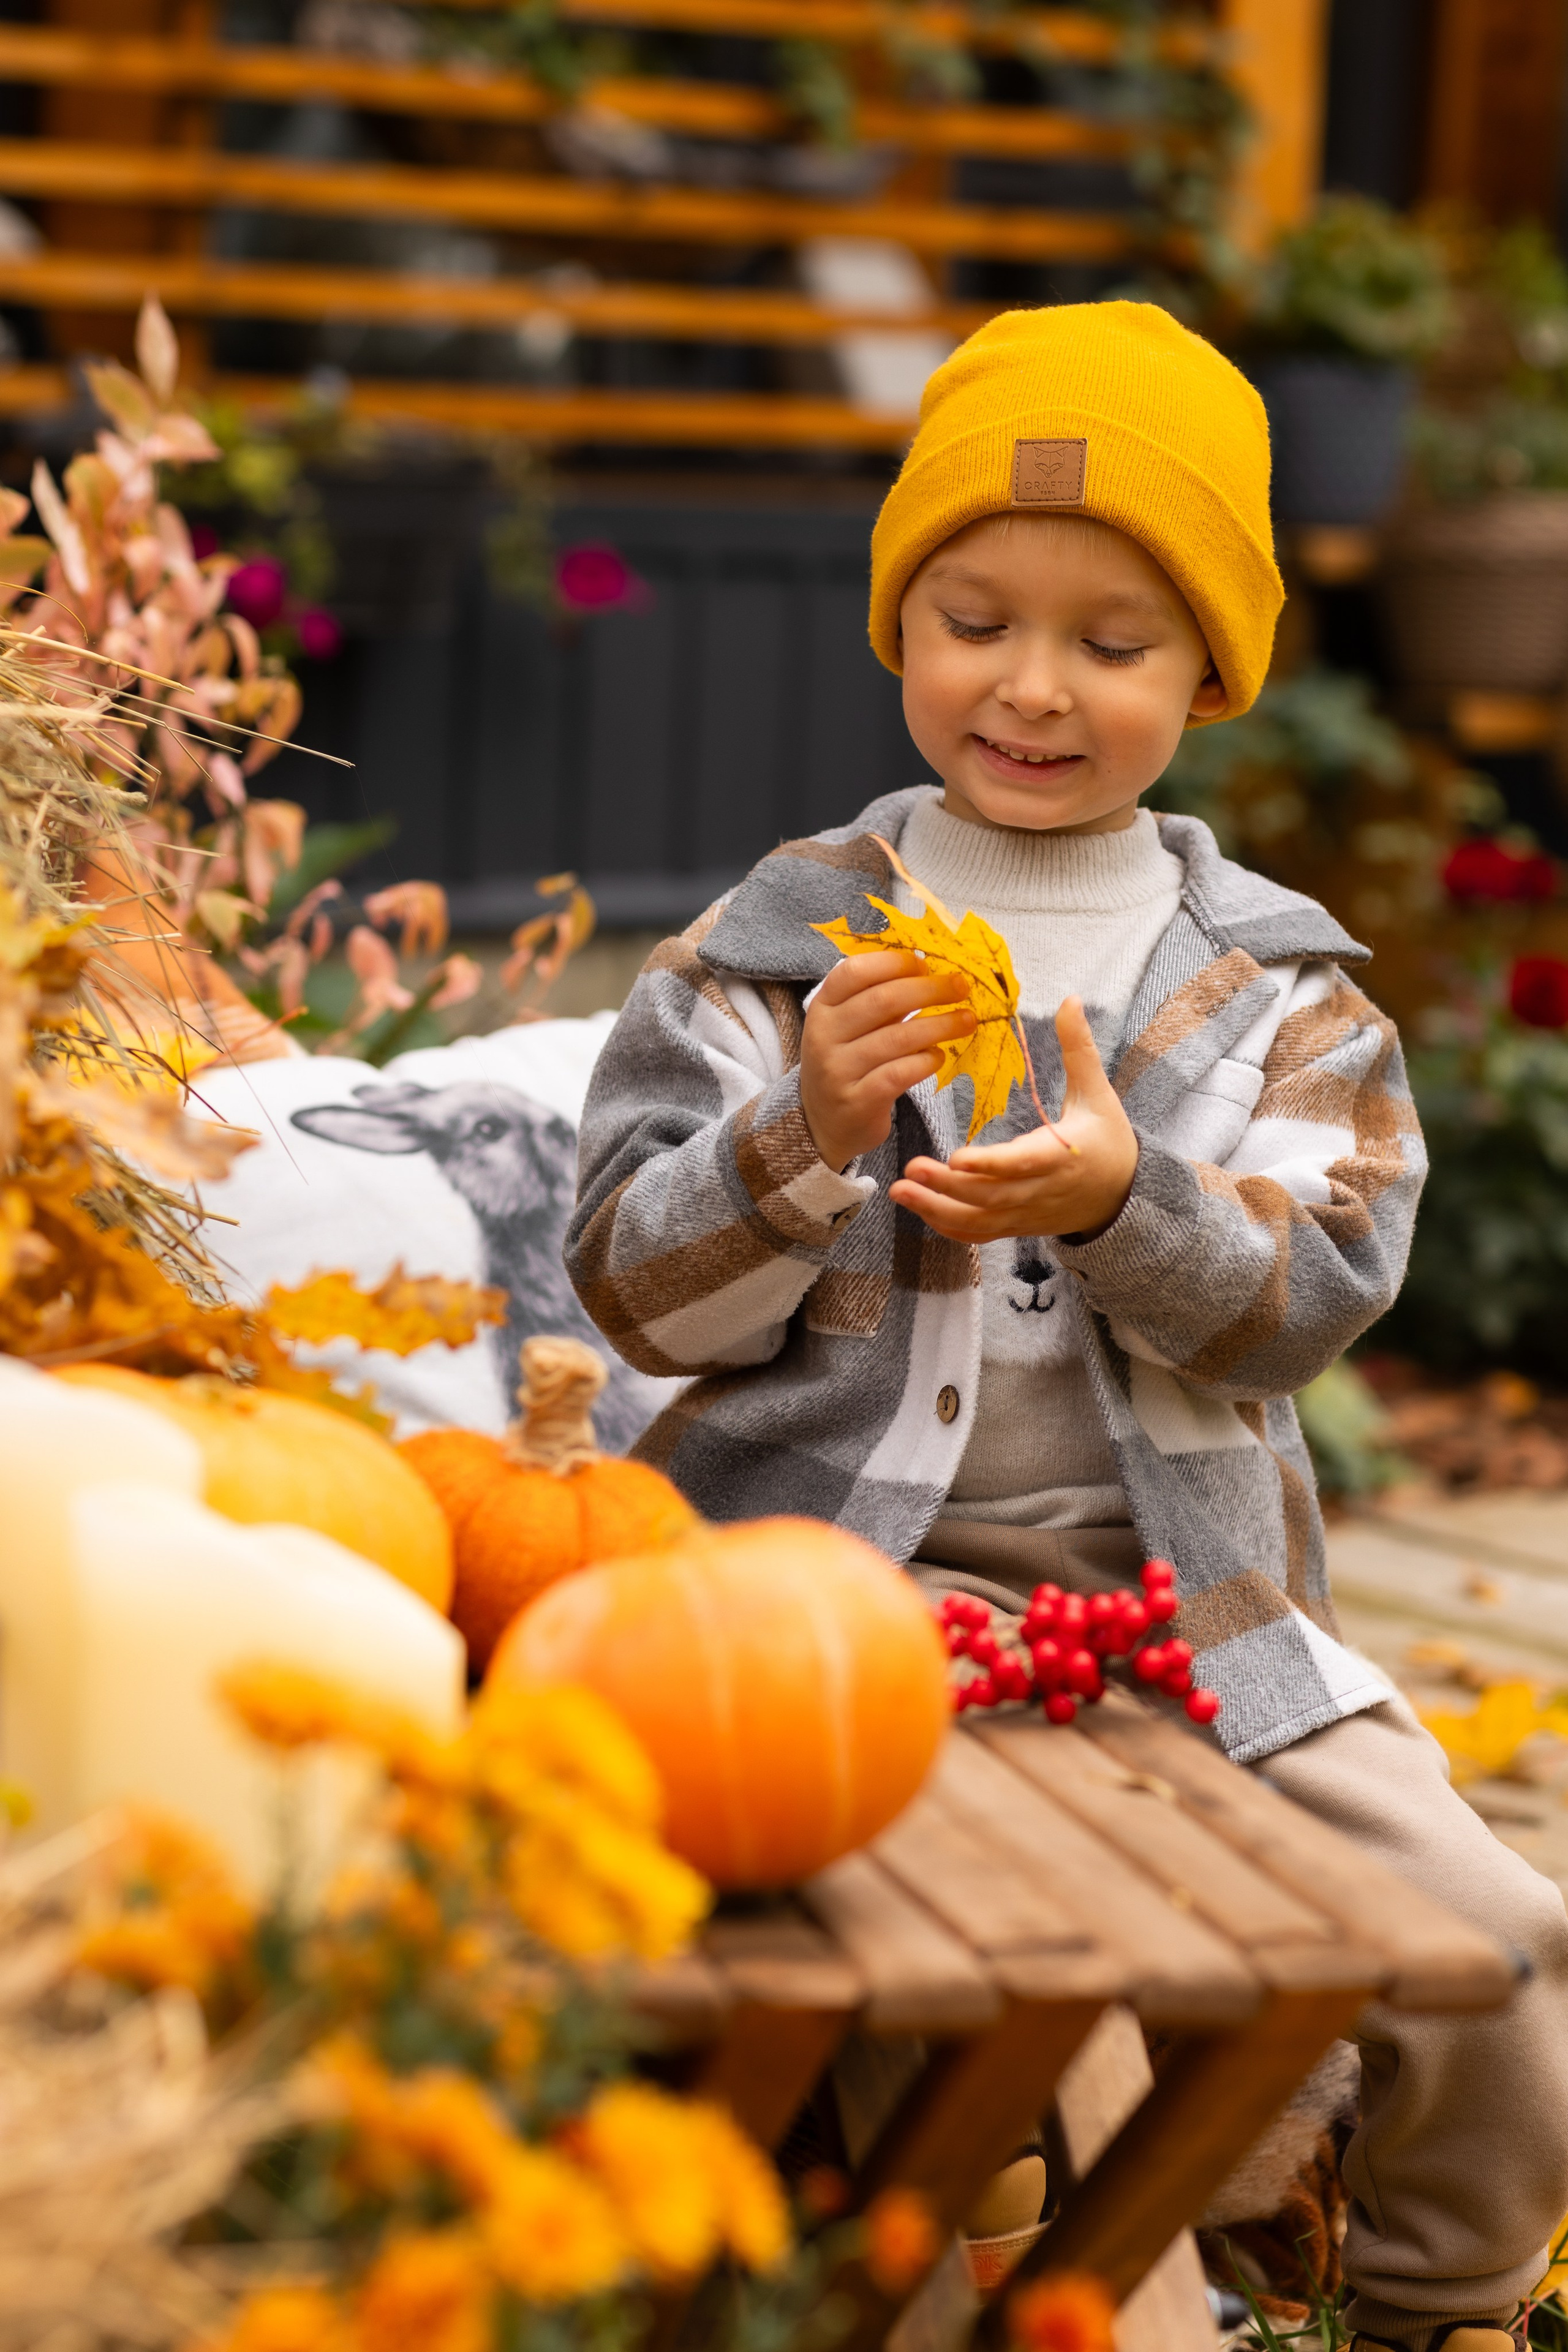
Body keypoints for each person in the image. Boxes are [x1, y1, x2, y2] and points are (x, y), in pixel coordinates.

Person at [566, 301, 1568, 2352]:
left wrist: (1128, 1204)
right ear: (896, 626)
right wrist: (805, 1131)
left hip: (1193, 1623)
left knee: (1505, 1941)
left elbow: (1309, 1304)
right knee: (930, 1958)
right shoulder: (768, 953)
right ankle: (994, 2238)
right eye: (975, 620)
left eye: (1115, 644)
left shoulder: (1285, 998)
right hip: (825, 1604)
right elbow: (628, 1289)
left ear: (1213, 668)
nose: (1032, 688)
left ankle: (1439, 2296)